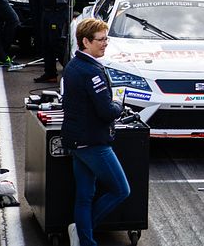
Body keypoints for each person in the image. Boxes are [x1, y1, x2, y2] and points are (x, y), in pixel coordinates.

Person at [61, 18, 130, 246]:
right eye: (101, 40)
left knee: (84, 196)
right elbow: (106, 111)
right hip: (93, 143)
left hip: (75, 141)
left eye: (106, 38)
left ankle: (84, 238)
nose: (105, 44)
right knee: (121, 189)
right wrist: (119, 103)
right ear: (85, 41)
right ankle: (83, 232)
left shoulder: (73, 65)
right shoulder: (91, 71)